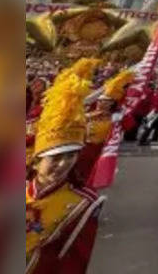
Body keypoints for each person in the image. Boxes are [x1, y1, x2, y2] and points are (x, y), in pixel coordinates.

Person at [26, 69, 103, 274]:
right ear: (36, 161)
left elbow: (75, 263)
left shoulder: (83, 204)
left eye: (71, 157)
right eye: (56, 158)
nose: (64, 165)